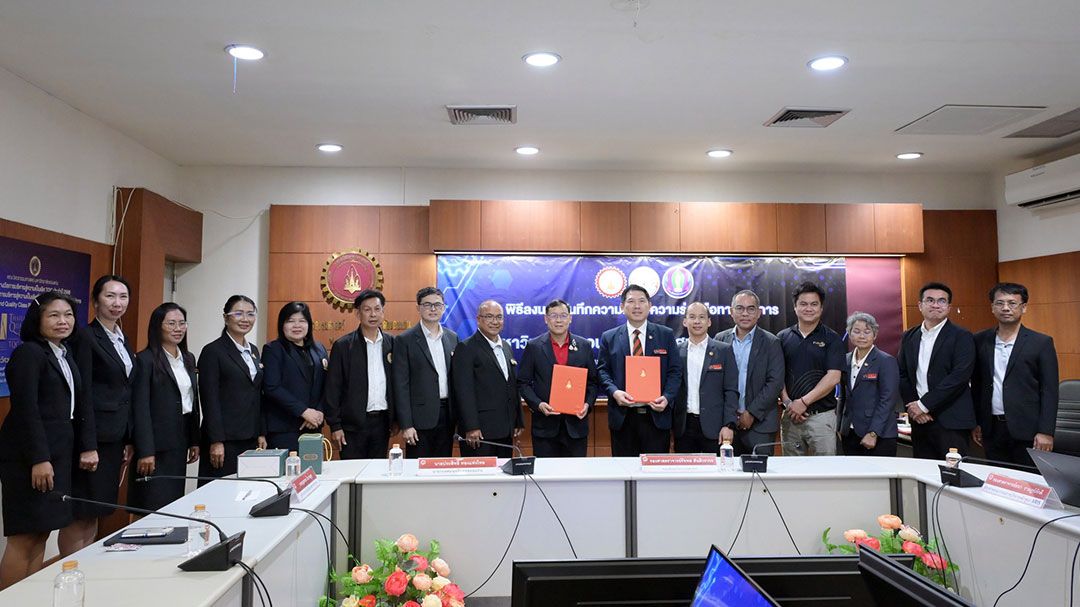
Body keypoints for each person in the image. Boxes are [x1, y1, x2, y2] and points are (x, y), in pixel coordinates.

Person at [0, 293, 94, 589]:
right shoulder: (29, 353)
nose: (63, 321)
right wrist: (39, 459)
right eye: (54, 315)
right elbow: (26, 409)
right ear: (37, 320)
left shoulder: (62, 353)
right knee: (24, 537)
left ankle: (27, 597)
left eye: (68, 314)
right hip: (30, 458)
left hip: (57, 455)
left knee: (42, 532)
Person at [62, 275, 135, 553]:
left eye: (123, 297)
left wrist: (128, 437)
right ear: (95, 301)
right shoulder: (86, 337)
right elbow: (83, 394)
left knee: (97, 510)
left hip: (114, 438)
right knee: (81, 512)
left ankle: (82, 568)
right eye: (110, 296)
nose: (117, 303)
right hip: (93, 440)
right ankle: (69, 569)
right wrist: (88, 445)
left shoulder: (120, 338)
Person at [972, 283, 1059, 467]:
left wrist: (1046, 431)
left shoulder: (1041, 343)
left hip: (1028, 430)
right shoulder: (980, 340)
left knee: (1027, 481)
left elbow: (1049, 390)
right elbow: (977, 384)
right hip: (991, 428)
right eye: (1000, 303)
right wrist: (978, 422)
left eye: (1012, 303)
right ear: (992, 307)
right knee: (997, 479)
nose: (1005, 308)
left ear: (1023, 307)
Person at [128, 303, 200, 511]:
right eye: (171, 324)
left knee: (173, 504)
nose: (178, 329)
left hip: (180, 440)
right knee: (150, 504)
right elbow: (140, 408)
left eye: (182, 323)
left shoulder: (188, 358)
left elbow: (191, 401)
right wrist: (146, 450)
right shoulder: (145, 360)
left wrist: (194, 440)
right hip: (155, 444)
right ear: (157, 326)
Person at [597, 284, 683, 456]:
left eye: (642, 301)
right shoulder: (609, 337)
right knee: (624, 469)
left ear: (650, 306)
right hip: (623, 418)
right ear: (622, 306)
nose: (637, 306)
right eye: (631, 301)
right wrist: (615, 392)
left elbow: (675, 371)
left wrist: (667, 397)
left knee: (655, 470)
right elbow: (602, 371)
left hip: (656, 417)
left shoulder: (665, 335)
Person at [897, 282, 976, 460]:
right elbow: (902, 374)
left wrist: (924, 405)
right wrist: (914, 407)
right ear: (920, 305)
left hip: (951, 420)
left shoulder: (962, 336)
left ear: (949, 307)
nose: (935, 305)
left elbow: (959, 377)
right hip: (919, 420)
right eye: (930, 300)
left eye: (941, 301)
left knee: (953, 472)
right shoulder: (909, 336)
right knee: (923, 472)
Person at [518, 299, 599, 457]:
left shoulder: (584, 346)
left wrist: (587, 405)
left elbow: (593, 383)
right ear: (546, 319)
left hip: (576, 427)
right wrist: (538, 404)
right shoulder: (534, 346)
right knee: (545, 472)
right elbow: (523, 383)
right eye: (553, 316)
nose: (558, 320)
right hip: (544, 428)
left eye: (563, 315)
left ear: (570, 318)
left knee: (576, 471)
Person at [198, 295, 264, 483]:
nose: (245, 319)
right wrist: (216, 440)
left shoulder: (253, 350)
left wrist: (261, 432)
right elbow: (209, 399)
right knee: (220, 491)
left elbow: (256, 394)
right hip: (225, 440)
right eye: (239, 313)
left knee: (248, 490)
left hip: (250, 437)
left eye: (250, 314)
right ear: (226, 318)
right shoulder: (213, 351)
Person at [324, 289, 395, 460]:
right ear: (358, 313)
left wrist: (396, 419)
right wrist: (335, 425)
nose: (373, 314)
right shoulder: (343, 346)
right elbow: (333, 388)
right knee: (352, 471)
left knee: (378, 471)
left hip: (382, 423)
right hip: (351, 426)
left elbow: (398, 384)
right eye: (367, 309)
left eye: (377, 309)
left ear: (383, 312)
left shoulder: (393, 343)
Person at [777, 282, 844, 456]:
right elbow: (777, 375)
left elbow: (833, 377)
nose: (808, 308)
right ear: (795, 307)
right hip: (790, 416)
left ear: (821, 308)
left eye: (814, 304)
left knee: (824, 470)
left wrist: (803, 402)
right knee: (791, 469)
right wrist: (789, 403)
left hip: (821, 418)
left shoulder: (832, 338)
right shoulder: (782, 338)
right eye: (803, 304)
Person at [392, 287, 459, 458]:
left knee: (443, 467)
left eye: (437, 305)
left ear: (444, 308)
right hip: (419, 419)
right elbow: (400, 386)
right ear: (418, 308)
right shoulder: (404, 340)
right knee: (418, 468)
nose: (433, 309)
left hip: (447, 416)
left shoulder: (452, 338)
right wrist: (406, 424)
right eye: (427, 305)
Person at [451, 300, 523, 457]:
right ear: (478, 319)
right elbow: (463, 391)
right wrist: (471, 426)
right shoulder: (466, 348)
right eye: (489, 316)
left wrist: (518, 420)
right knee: (480, 472)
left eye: (499, 317)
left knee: (504, 471)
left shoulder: (506, 347)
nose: (495, 321)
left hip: (505, 429)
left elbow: (511, 385)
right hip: (479, 432)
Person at [716, 290, 785, 456]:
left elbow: (775, 382)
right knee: (727, 471)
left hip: (760, 424)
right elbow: (715, 383)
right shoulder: (720, 339)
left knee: (759, 471)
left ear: (759, 313)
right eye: (740, 308)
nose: (745, 313)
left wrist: (751, 413)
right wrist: (729, 418)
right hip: (726, 425)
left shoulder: (771, 342)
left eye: (751, 309)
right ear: (731, 312)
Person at [672, 302, 738, 454]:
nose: (697, 321)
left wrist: (729, 425)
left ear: (709, 322)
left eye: (701, 317)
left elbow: (731, 390)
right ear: (684, 321)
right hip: (684, 427)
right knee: (685, 469)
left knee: (716, 469)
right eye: (692, 317)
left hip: (715, 427)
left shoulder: (724, 350)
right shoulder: (676, 351)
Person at [262, 302, 327, 452]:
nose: (297, 325)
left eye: (302, 321)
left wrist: (319, 412)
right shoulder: (273, 349)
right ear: (282, 325)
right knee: (289, 467)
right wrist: (304, 411)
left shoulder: (319, 349)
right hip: (285, 428)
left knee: (313, 466)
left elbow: (327, 385)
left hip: (313, 426)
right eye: (290, 321)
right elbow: (272, 387)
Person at [838, 312, 900, 457]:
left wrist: (873, 432)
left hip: (879, 434)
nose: (862, 336)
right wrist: (840, 425)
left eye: (867, 332)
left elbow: (888, 400)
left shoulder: (886, 361)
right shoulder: (845, 360)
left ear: (875, 335)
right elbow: (843, 396)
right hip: (849, 432)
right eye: (856, 331)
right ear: (849, 334)